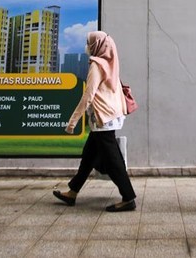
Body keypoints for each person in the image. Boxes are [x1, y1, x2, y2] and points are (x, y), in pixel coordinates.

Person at [52, 31, 137, 212]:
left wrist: (72, 121)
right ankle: (72, 192)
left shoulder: (97, 65)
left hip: (102, 120)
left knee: (113, 161)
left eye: (88, 42)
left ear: (97, 45)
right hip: (111, 117)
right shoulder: (110, 62)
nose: (87, 46)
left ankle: (128, 197)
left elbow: (88, 96)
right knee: (89, 155)